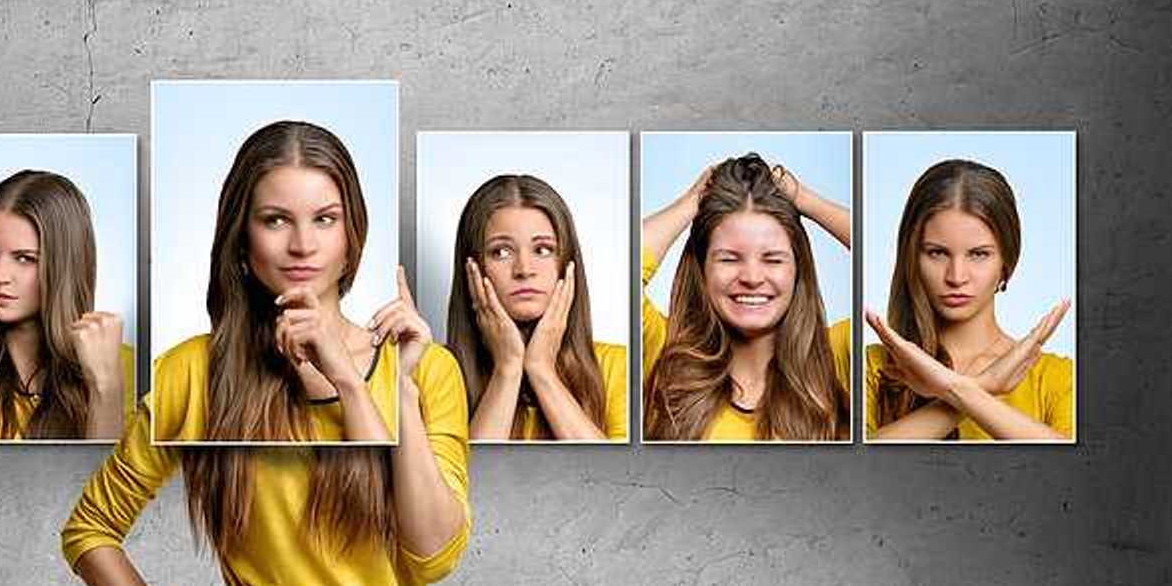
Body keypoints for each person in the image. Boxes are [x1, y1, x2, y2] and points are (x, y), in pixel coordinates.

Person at [61, 120, 470, 586]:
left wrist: (366, 384)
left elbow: (434, 553)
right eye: (276, 219)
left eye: (325, 219)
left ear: (352, 232)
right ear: (241, 235)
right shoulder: (191, 373)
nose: (302, 244)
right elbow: (90, 532)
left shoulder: (426, 368)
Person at [641, 154, 851, 441]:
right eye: (729, 259)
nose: (752, 277)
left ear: (798, 269)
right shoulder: (663, 351)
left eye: (773, 259)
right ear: (702, 269)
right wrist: (691, 203)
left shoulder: (834, 356)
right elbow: (623, 264)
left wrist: (805, 200)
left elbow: (890, 256)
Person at [864, 159, 1073, 440]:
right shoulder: (873, 368)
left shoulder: (1057, 378)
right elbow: (856, 462)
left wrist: (958, 391)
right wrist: (982, 386)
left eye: (978, 254)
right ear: (911, 257)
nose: (956, 276)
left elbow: (1074, 463)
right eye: (937, 253)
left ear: (1006, 263)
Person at [0, 170, 131, 440]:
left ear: (65, 266)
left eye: (24, 258)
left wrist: (104, 386)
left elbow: (107, 468)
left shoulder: (127, 365)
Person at [445, 173, 627, 440]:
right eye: (501, 252)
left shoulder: (617, 366)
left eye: (542, 250)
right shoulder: (438, 369)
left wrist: (542, 370)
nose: (524, 269)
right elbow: (461, 470)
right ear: (472, 268)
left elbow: (619, 469)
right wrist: (508, 368)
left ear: (567, 264)